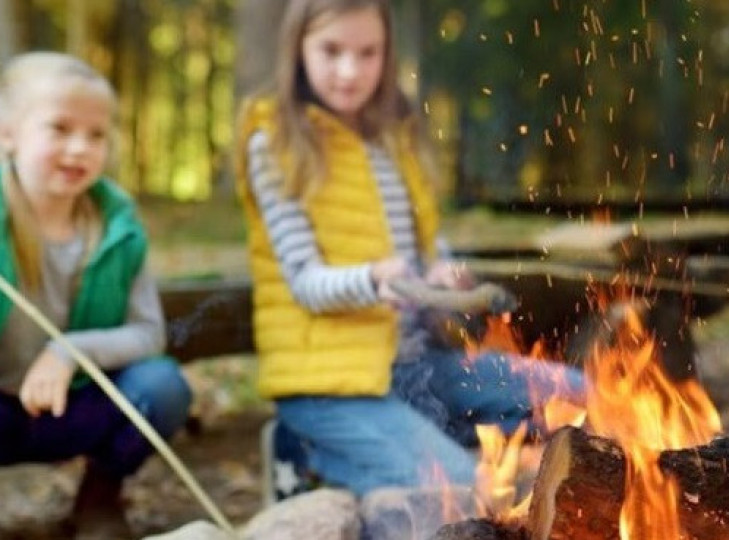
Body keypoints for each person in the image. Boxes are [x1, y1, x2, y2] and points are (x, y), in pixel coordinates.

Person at [235, 0, 585, 500]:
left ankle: (401, 441)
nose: (349, 70)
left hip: (417, 369)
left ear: (386, 53)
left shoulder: (394, 134)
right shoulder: (276, 140)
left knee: (580, 396)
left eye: (367, 53)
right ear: (298, 49)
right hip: (332, 384)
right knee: (460, 494)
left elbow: (421, 243)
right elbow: (305, 284)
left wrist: (439, 271)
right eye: (331, 51)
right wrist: (374, 280)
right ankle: (308, 447)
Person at [0, 52, 192, 539]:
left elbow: (149, 334)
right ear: (8, 134)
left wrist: (69, 351)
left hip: (78, 406)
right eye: (59, 129)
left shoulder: (118, 227)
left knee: (161, 387)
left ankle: (100, 498)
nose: (79, 148)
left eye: (96, 134)